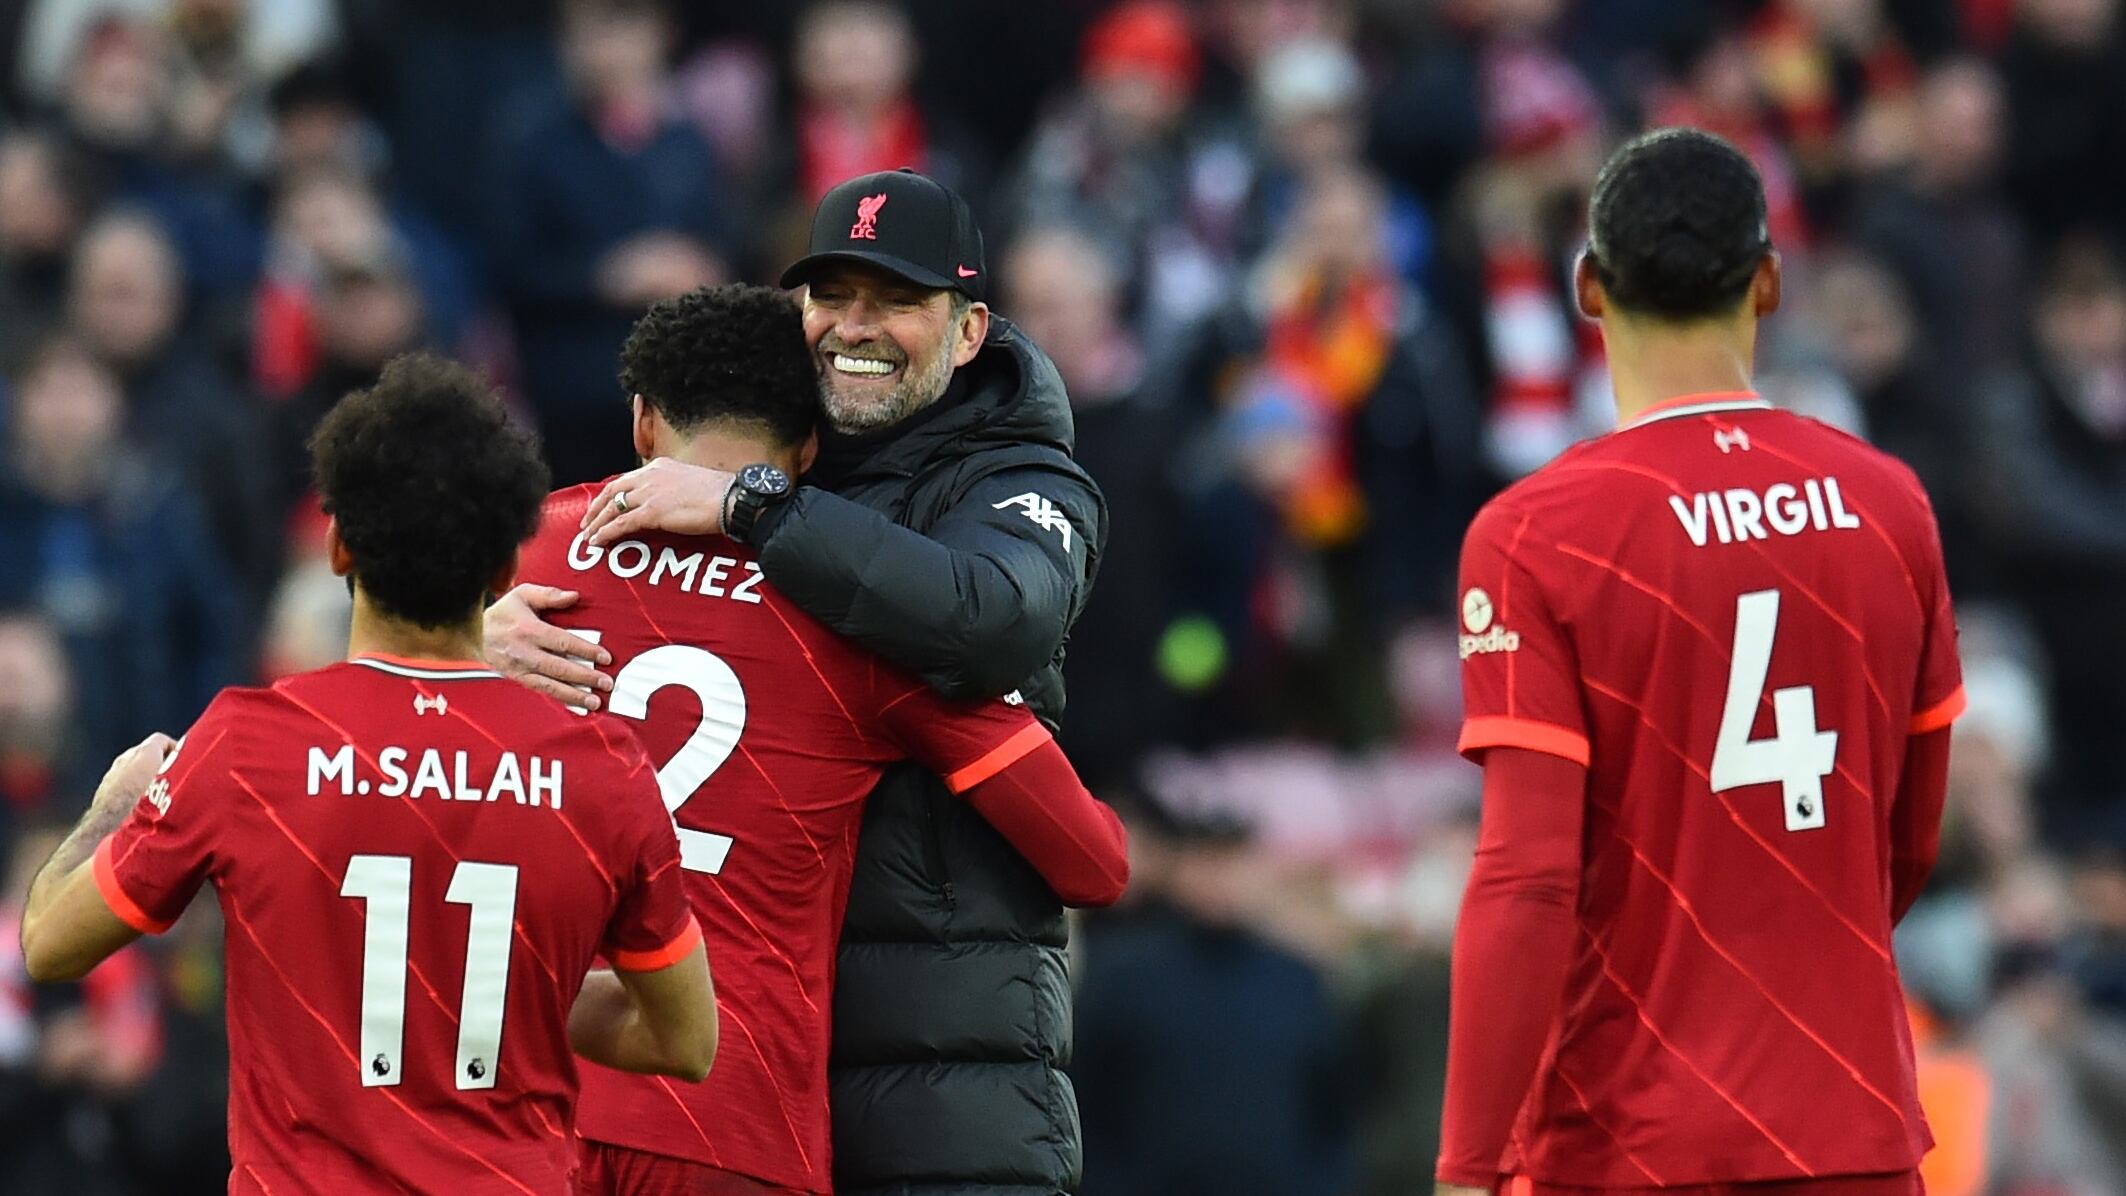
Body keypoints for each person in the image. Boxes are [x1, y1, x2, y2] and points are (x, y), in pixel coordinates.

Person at [488, 168, 1107, 1195]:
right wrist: (468, 645)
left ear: (967, 329)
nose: (854, 326)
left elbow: (990, 615)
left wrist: (754, 507)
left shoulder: (1023, 481)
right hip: (736, 1082)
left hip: (941, 1074)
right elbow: (1095, 857)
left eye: (898, 300)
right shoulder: (763, 514)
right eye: (832, 297)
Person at [16, 353, 717, 1194]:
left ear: (338, 548)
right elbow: (686, 1042)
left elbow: (49, 945)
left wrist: (111, 807)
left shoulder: (246, 746)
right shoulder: (602, 770)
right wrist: (485, 1001)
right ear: (504, 571)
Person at [1435, 128, 1963, 1195]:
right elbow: (1902, 844)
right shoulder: (1887, 502)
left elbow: (1526, 875)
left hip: (1623, 1140)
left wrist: (1464, 1165)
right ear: (1767, 282)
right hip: (1848, 1130)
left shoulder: (1536, 532)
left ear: (1587, 286)